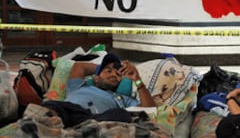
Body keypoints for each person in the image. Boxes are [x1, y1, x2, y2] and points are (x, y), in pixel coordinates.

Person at [24, 53, 156, 128]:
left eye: (117, 74)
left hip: (96, 120)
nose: (113, 75)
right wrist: (104, 67)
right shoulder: (79, 86)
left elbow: (150, 109)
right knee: (51, 106)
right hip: (69, 110)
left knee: (121, 115)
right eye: (108, 71)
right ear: (96, 78)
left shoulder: (121, 98)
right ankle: (40, 127)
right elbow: (79, 66)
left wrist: (137, 79)